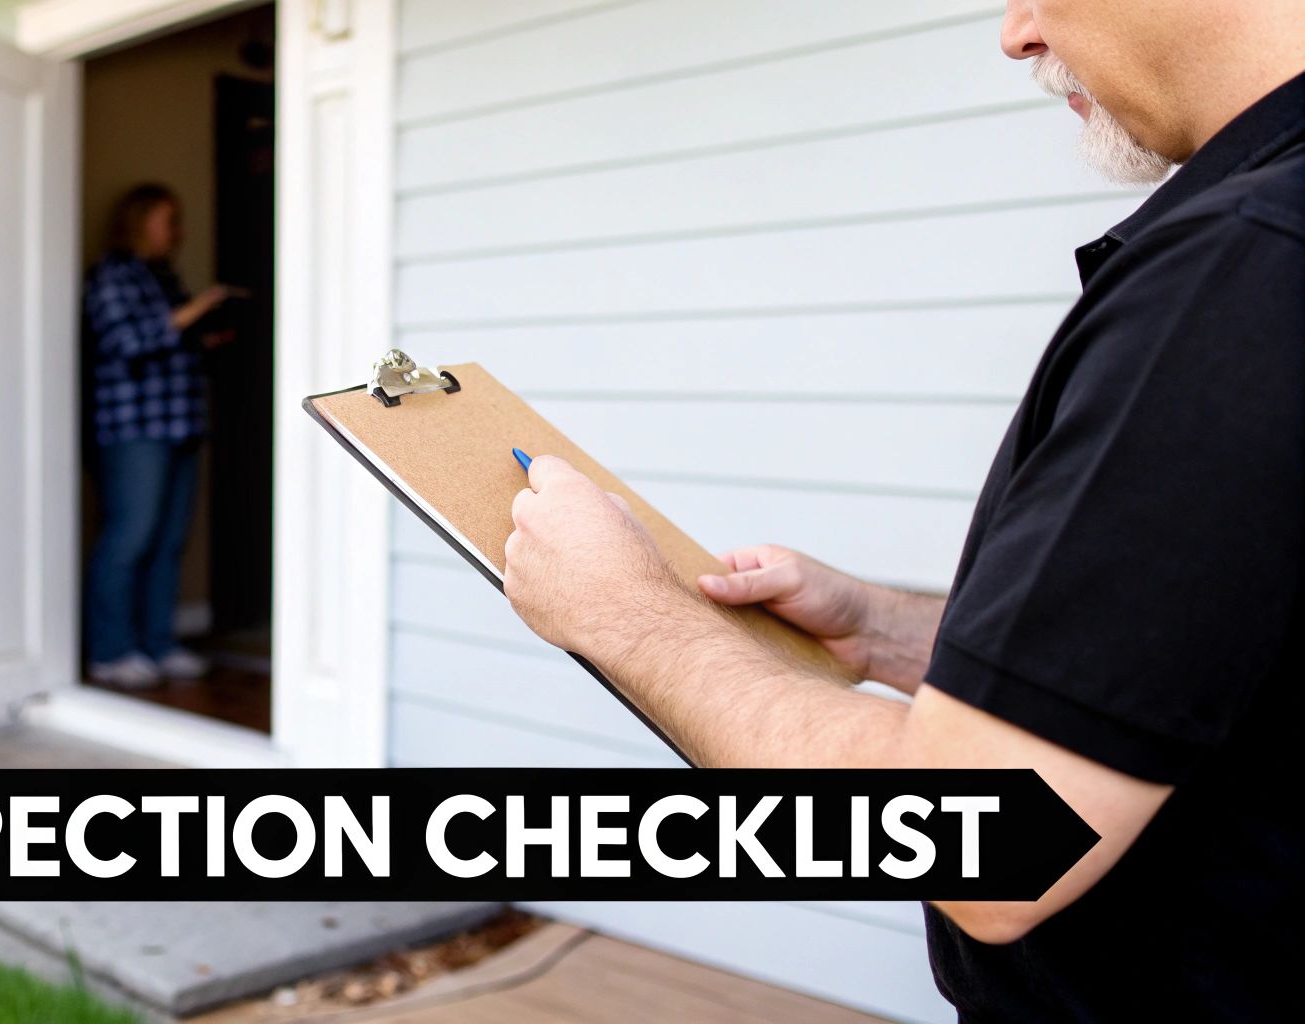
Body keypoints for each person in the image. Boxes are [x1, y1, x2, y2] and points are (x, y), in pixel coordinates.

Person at [500, 1, 1304, 1019]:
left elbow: (996, 841)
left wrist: (623, 617)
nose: (1017, 33)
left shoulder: (1245, 259)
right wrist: (889, 632)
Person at [83, 184, 234, 690]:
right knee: (130, 536)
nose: (179, 232)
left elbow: (173, 341)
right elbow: (127, 341)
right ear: (141, 221)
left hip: (180, 422)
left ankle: (158, 644)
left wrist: (206, 335)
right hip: (133, 428)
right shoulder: (111, 275)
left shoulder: (163, 277)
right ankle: (110, 651)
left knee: (170, 542)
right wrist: (200, 307)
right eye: (170, 221)